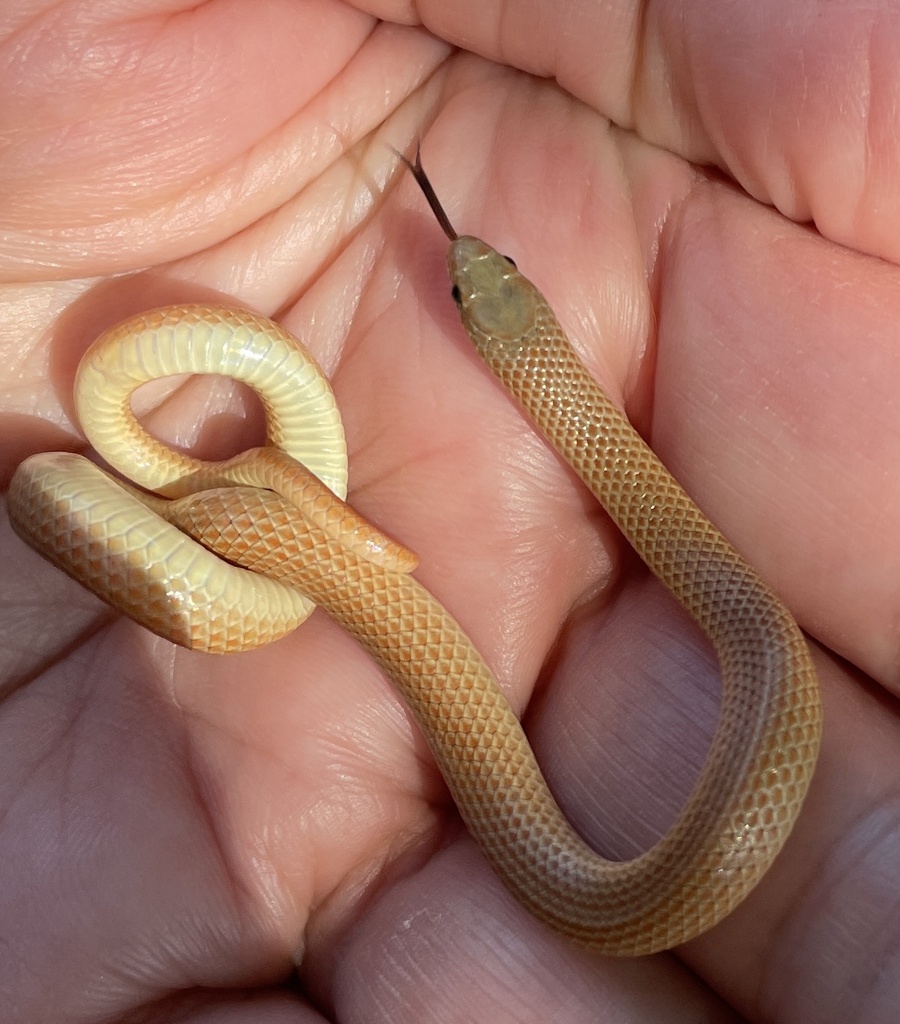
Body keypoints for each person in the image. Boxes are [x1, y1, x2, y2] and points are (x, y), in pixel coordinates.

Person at [1, 2, 897, 1021]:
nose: (474, 267)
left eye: (484, 286)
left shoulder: (748, 633)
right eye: (482, 286)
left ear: (513, 319)